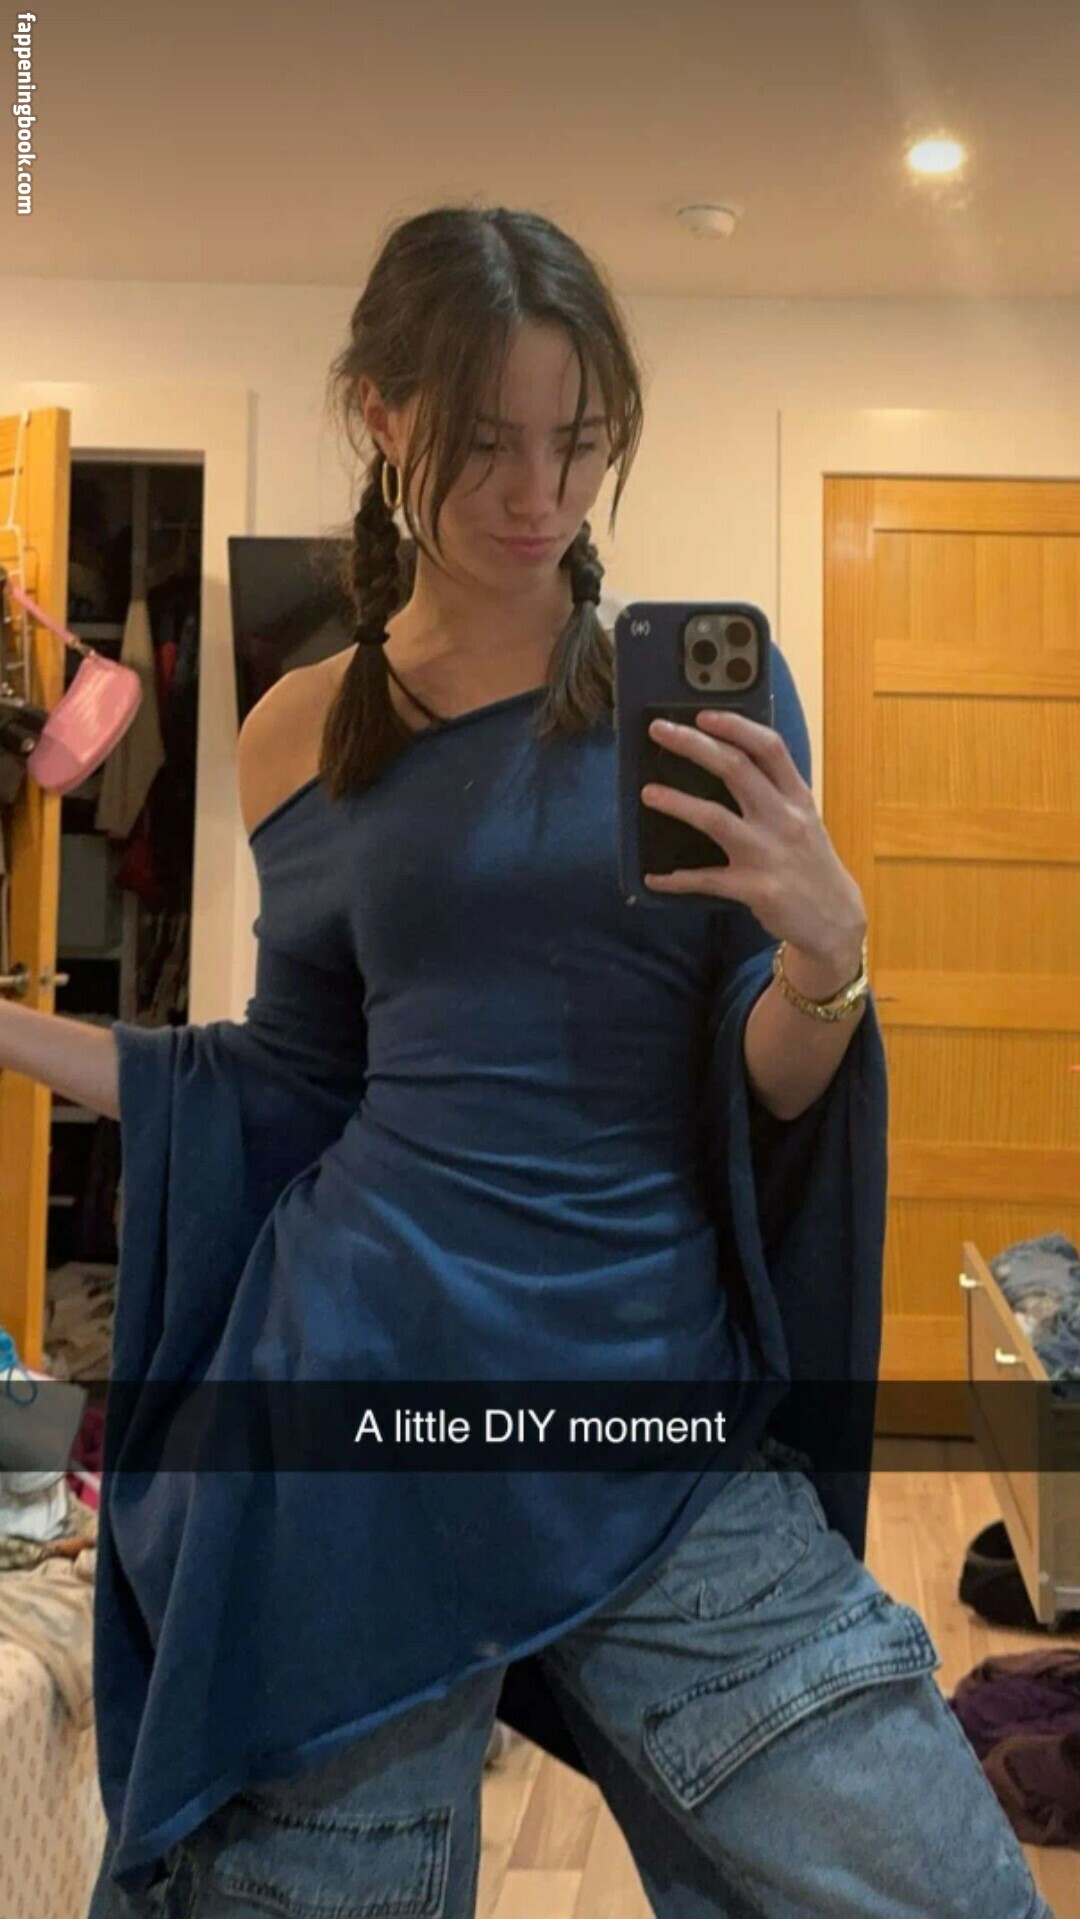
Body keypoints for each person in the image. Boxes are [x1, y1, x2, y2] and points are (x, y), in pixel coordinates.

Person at [2, 203, 1050, 1919]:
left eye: (580, 440)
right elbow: (282, 1083)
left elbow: (770, 1091)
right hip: (356, 1404)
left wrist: (827, 957)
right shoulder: (300, 727)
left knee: (948, 1892)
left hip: (646, 1393)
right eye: (487, 441)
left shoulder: (704, 703)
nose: (538, 493)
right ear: (380, 411)